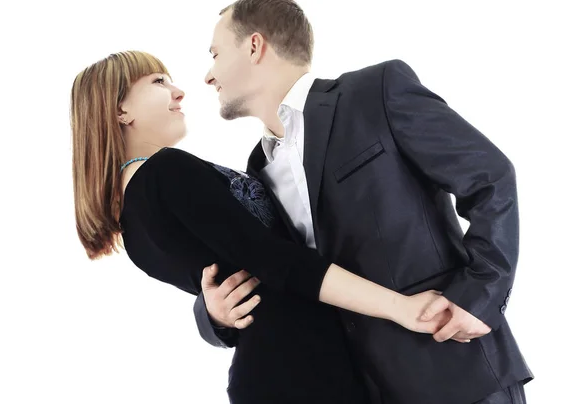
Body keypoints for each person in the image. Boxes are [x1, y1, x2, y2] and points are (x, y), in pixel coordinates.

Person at [194, 1, 534, 403]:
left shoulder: (376, 93)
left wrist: (481, 295)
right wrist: (212, 315)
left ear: (254, 46)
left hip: (453, 371)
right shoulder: (257, 169)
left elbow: (490, 177)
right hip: (352, 389)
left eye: (215, 54)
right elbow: (278, 267)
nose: (207, 75)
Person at [70, 50, 455, 404]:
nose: (178, 91)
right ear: (121, 110)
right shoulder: (165, 172)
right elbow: (279, 263)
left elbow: (237, 275)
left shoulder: (131, 228)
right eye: (158, 82)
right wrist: (400, 307)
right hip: (302, 371)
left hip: (277, 372)